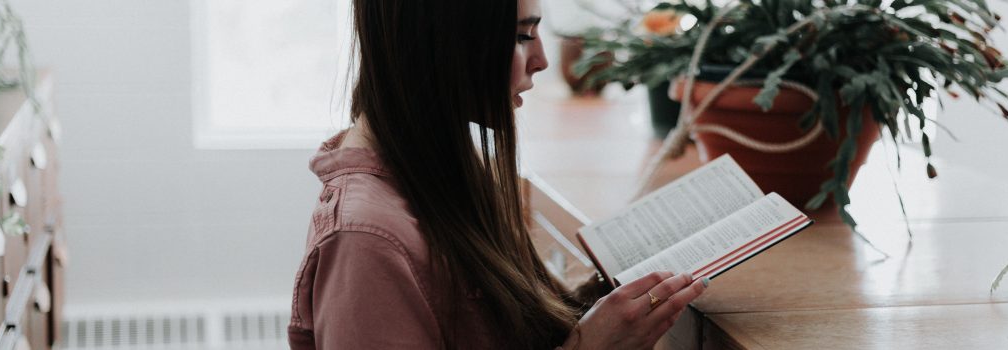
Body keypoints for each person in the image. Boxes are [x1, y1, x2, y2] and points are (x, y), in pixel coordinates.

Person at [287, 0, 708, 348]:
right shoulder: (366, 241)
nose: (541, 60)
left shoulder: (441, 167)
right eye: (522, 36)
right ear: (440, 42)